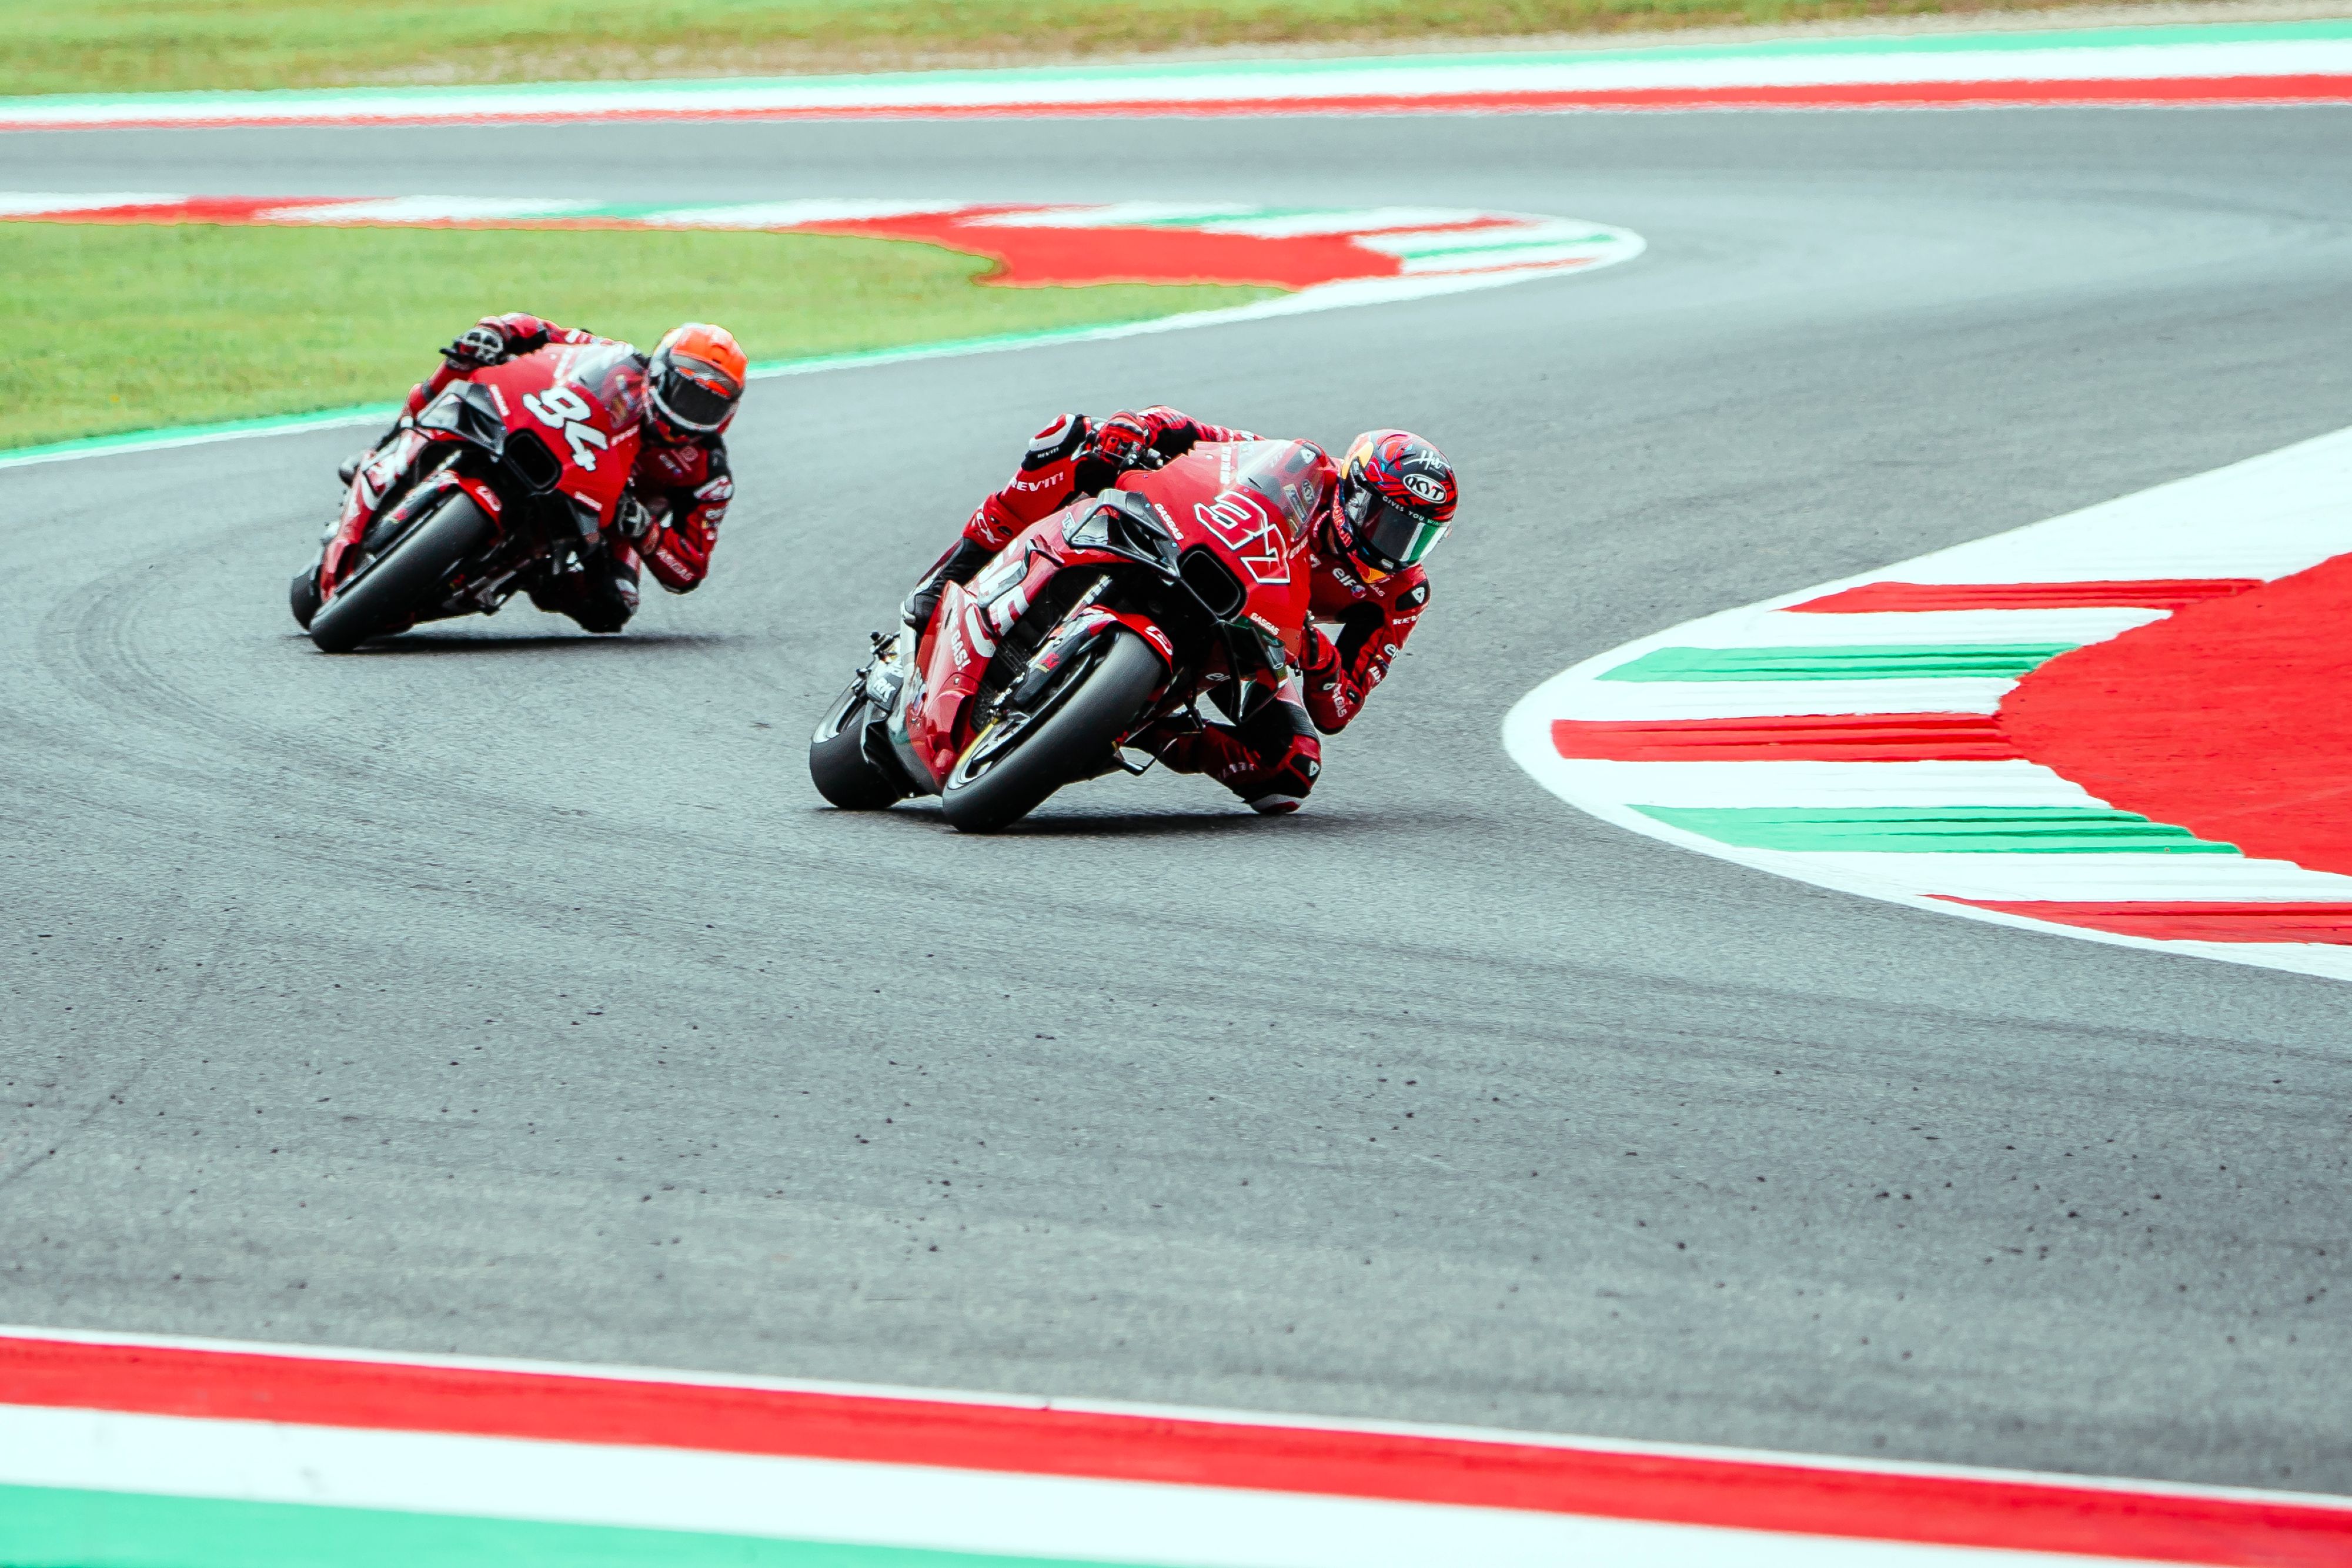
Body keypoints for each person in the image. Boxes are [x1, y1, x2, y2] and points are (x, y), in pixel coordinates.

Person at [903, 407, 1457, 814]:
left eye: (1418, 538)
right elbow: (1209, 439)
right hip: (1186, 546)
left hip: (1256, 630)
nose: (1395, 547)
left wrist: (1314, 653)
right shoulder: (1305, 470)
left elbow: (1339, 708)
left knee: (1292, 768)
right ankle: (954, 569)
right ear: (1353, 491)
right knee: (1069, 438)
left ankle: (1140, 726)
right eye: (1388, 523)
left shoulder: (1400, 594)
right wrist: (1138, 428)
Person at [310, 312, 744, 633]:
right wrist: (495, 332)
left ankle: (512, 574)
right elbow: (540, 330)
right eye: (685, 394)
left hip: (610, 520)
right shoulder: (617, 361)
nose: (690, 414)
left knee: (613, 608)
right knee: (462, 370)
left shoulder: (708, 473)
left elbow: (688, 570)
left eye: (707, 406)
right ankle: (388, 449)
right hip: (549, 448)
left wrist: (644, 529)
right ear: (660, 375)